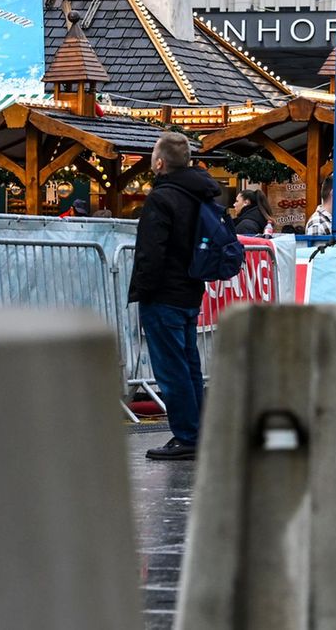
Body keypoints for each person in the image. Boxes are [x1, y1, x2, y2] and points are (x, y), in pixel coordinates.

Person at [129, 132, 222, 461]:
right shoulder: (201, 194)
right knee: (189, 364)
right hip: (190, 291)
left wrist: (143, 288)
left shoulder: (161, 198)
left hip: (163, 294)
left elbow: (151, 253)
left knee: (171, 369)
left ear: (159, 162)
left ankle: (187, 435)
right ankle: (197, 431)